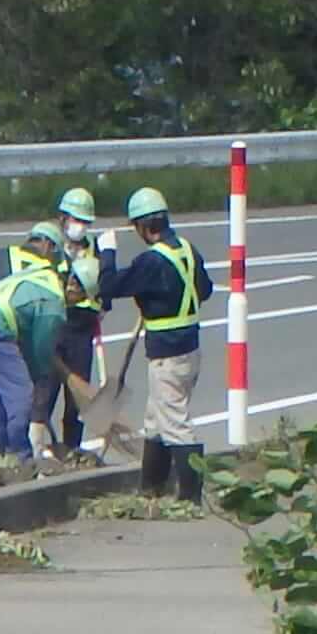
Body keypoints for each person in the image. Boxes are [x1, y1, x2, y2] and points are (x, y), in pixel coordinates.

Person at [110, 184, 215, 502]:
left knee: (175, 424)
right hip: (189, 349)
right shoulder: (185, 248)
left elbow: (110, 285)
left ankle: (191, 497)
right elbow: (205, 289)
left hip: (168, 355)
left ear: (142, 226)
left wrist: (105, 254)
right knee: (155, 420)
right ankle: (151, 487)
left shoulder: (151, 261)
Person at [0, 235, 68, 470]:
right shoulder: (54, 302)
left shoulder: (40, 276)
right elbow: (40, 348)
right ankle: (21, 458)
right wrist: (39, 376)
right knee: (21, 395)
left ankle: (0, 458)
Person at [43, 186, 108, 459]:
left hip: (82, 329)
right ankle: (37, 451)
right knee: (44, 392)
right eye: (75, 220)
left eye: (84, 222)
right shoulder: (50, 247)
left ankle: (72, 450)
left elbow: (105, 288)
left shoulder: (96, 250)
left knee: (77, 399)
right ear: (62, 218)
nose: (79, 227)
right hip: (52, 328)